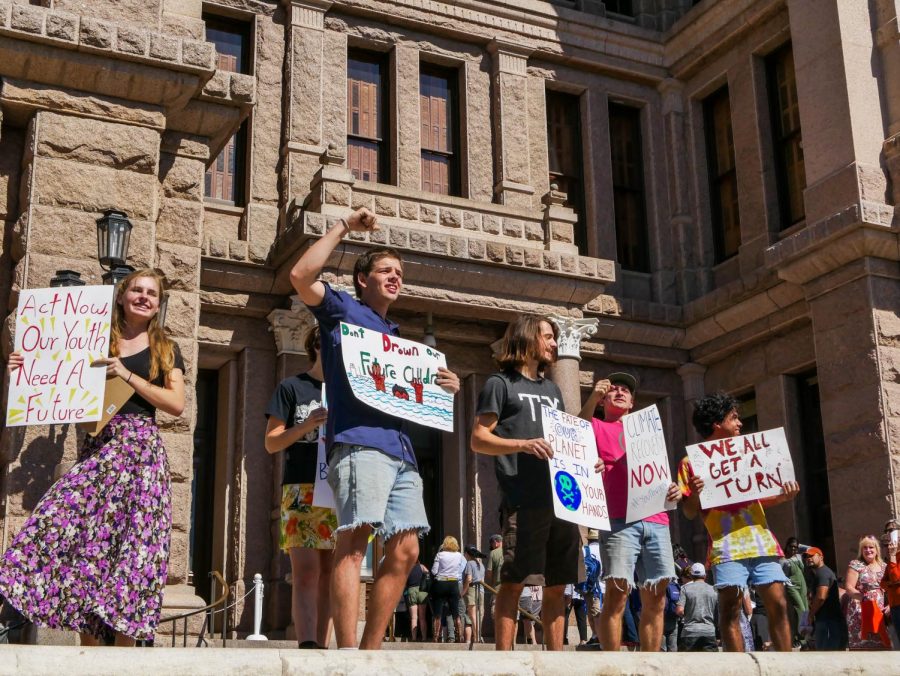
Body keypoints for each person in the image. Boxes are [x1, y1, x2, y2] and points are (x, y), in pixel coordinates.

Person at [290, 206, 460, 649]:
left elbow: (414, 396)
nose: (395, 276)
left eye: (400, 272)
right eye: (386, 269)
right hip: (358, 444)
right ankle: (348, 655)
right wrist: (344, 225)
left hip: (401, 451)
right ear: (363, 279)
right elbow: (301, 276)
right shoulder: (341, 310)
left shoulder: (396, 335)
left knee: (406, 551)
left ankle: (370, 651)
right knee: (353, 542)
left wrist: (445, 388)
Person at [0, 269, 185, 646]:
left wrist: (128, 376)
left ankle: (124, 657)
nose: (144, 297)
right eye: (137, 290)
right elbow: (60, 384)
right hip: (99, 451)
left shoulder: (165, 347)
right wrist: (23, 371)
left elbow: (176, 404)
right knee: (77, 540)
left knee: (134, 552)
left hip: (141, 456)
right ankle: (86, 653)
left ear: (158, 303)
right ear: (121, 295)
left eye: (152, 293)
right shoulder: (96, 338)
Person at [470, 315, 579, 651]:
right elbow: (477, 438)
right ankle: (505, 662)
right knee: (515, 582)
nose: (554, 344)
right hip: (523, 499)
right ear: (527, 338)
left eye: (555, 338)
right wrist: (521, 444)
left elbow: (563, 440)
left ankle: (556, 662)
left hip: (561, 500)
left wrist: (586, 464)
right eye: (547, 336)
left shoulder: (553, 390)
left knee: (558, 585)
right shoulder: (499, 384)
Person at [678, 393, 799, 652]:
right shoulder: (691, 463)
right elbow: (688, 512)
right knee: (730, 611)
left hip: (762, 543)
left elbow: (761, 499)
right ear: (716, 423)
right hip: (726, 547)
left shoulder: (746, 452)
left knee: (778, 604)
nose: (740, 424)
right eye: (734, 418)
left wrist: (784, 495)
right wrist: (697, 492)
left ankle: (788, 665)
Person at [578, 372, 682, 653]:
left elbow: (660, 473)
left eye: (625, 390)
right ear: (603, 400)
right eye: (613, 390)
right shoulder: (596, 425)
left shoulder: (647, 431)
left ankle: (650, 663)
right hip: (618, 519)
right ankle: (610, 663)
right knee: (617, 595)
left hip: (657, 518)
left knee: (657, 598)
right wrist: (592, 397)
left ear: (632, 402)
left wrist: (675, 489)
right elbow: (576, 427)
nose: (619, 392)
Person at [264, 325, 336, 649]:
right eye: (332, 343)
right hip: (301, 488)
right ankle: (307, 644)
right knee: (306, 571)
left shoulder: (348, 391)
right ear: (317, 346)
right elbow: (271, 441)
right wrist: (306, 425)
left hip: (338, 488)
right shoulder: (292, 387)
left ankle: (324, 644)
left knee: (332, 574)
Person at [843, 535, 890, 650]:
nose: (868, 550)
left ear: (876, 550)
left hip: (881, 611)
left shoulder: (884, 566)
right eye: (865, 548)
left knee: (882, 645)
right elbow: (849, 587)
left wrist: (890, 605)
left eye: (871, 547)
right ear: (861, 550)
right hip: (861, 609)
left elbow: (890, 588)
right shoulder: (856, 564)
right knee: (863, 646)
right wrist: (863, 598)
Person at [805, 546, 847, 650]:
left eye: (811, 555)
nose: (808, 558)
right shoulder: (818, 573)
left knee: (827, 656)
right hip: (828, 621)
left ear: (821, 557)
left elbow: (821, 597)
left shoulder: (822, 573)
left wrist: (810, 615)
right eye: (806, 557)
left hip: (829, 622)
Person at [430, 536, 466, 643]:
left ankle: (436, 637)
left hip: (441, 583)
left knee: (438, 613)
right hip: (453, 583)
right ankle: (460, 636)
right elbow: (460, 570)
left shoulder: (440, 555)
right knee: (455, 612)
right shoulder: (459, 556)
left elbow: (434, 571)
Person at [675, 563, 718, 652]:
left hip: (689, 632)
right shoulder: (713, 589)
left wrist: (688, 614)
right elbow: (718, 612)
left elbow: (679, 610)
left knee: (687, 664)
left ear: (691, 575)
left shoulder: (685, 589)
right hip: (709, 631)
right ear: (705, 575)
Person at [780, 536, 809, 647]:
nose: (793, 549)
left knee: (805, 610)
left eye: (795, 547)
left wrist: (800, 546)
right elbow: (781, 575)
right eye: (791, 547)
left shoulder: (798, 556)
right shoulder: (782, 560)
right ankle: (799, 637)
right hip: (791, 587)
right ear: (786, 546)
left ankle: (803, 638)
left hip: (803, 586)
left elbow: (811, 549)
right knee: (800, 609)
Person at [880, 520, 900, 648]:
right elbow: (883, 583)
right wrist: (892, 584)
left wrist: (892, 556)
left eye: (892, 530)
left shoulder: (893, 557)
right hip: (895, 605)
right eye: (887, 531)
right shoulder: (891, 558)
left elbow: (895, 577)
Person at [462, 545, 486, 644]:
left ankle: (476, 637)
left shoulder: (469, 563)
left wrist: (463, 591)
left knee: (472, 615)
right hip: (481, 590)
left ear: (467, 554)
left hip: (472, 589)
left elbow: (469, 579)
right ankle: (478, 635)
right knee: (479, 614)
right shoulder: (481, 565)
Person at [404, 558, 429, 642]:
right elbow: (428, 574)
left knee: (414, 618)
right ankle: (424, 638)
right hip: (422, 591)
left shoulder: (407, 568)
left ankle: (414, 638)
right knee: (422, 617)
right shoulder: (421, 567)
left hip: (411, 591)